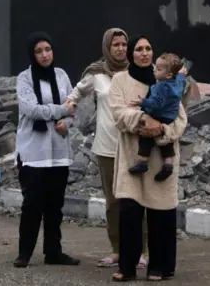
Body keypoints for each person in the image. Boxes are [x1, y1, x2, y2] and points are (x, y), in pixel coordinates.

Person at [65, 28, 150, 270]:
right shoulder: (97, 74)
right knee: (113, 203)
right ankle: (116, 250)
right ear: (107, 48)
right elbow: (78, 91)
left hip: (134, 144)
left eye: (124, 44)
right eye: (116, 45)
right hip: (107, 147)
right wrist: (70, 103)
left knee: (137, 200)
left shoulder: (138, 71)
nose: (121, 49)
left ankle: (142, 251)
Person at [108, 35, 187, 282]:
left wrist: (162, 131)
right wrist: (144, 120)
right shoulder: (120, 80)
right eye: (139, 49)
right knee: (130, 213)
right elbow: (119, 113)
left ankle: (160, 267)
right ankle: (127, 267)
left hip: (160, 160)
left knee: (161, 214)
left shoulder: (166, 79)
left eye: (149, 48)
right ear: (132, 53)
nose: (144, 53)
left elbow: (180, 118)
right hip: (133, 158)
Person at [13, 31, 80, 268]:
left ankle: (53, 252)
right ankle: (24, 253)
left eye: (48, 49)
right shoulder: (25, 78)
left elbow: (74, 107)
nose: (44, 55)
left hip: (59, 152)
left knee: (55, 207)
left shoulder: (61, 75)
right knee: (32, 205)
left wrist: (68, 121)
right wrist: (63, 111)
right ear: (32, 54)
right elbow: (33, 110)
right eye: (39, 51)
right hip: (34, 152)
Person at [128, 52, 186, 182]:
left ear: (169, 75)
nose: (154, 70)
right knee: (166, 141)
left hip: (159, 114)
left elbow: (156, 103)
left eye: (159, 69)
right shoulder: (178, 81)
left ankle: (142, 161)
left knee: (146, 134)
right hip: (171, 116)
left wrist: (142, 102)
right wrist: (182, 73)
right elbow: (182, 77)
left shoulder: (161, 86)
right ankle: (168, 164)